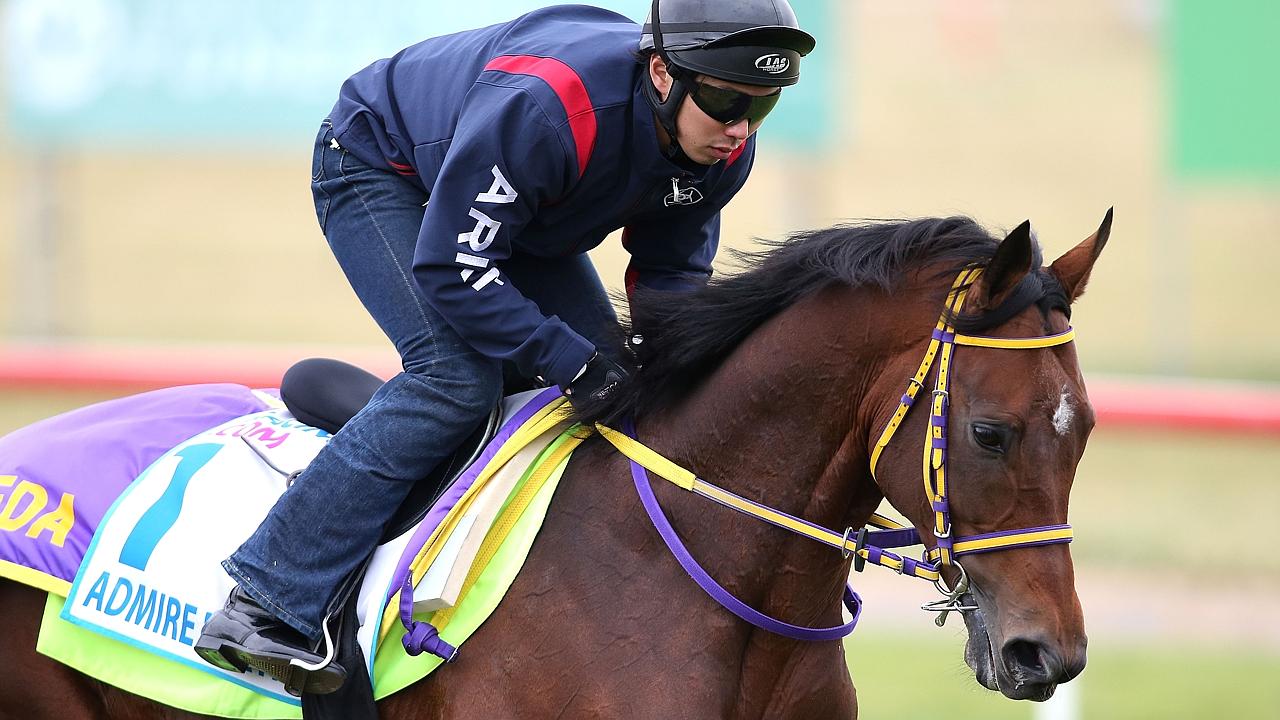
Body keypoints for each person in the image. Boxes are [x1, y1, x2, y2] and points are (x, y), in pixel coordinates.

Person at [195, 0, 815, 695]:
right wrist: (568, 359)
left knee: (625, 399)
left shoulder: (720, 149)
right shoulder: (549, 108)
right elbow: (452, 266)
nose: (739, 130)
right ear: (664, 73)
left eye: (761, 109)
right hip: (382, 170)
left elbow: (669, 281)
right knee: (456, 380)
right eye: (727, 101)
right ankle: (265, 599)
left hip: (522, 218)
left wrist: (664, 375)